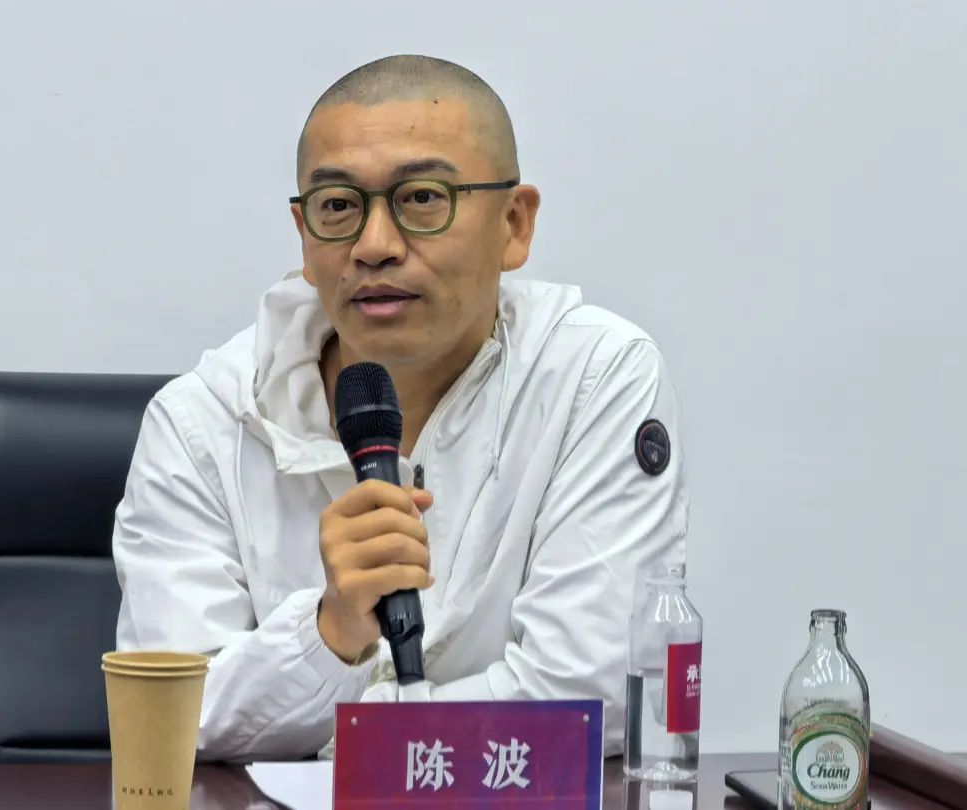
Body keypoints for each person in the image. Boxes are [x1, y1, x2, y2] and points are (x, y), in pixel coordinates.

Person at [112, 54, 688, 762]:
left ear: (513, 224)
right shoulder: (201, 422)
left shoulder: (592, 379)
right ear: (303, 235)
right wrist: (329, 634)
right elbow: (167, 717)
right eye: (337, 206)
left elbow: (595, 695)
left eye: (421, 198)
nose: (375, 246)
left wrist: (355, 745)